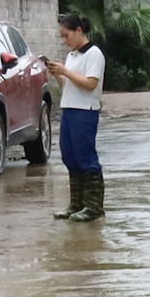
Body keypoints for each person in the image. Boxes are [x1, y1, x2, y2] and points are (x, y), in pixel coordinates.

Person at [48, 13, 106, 221]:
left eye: (66, 35)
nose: (65, 40)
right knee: (69, 155)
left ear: (79, 31)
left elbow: (91, 83)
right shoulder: (72, 56)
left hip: (85, 110)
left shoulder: (94, 54)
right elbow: (68, 86)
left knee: (85, 156)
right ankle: (76, 203)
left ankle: (94, 206)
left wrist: (65, 71)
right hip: (69, 108)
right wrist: (58, 74)